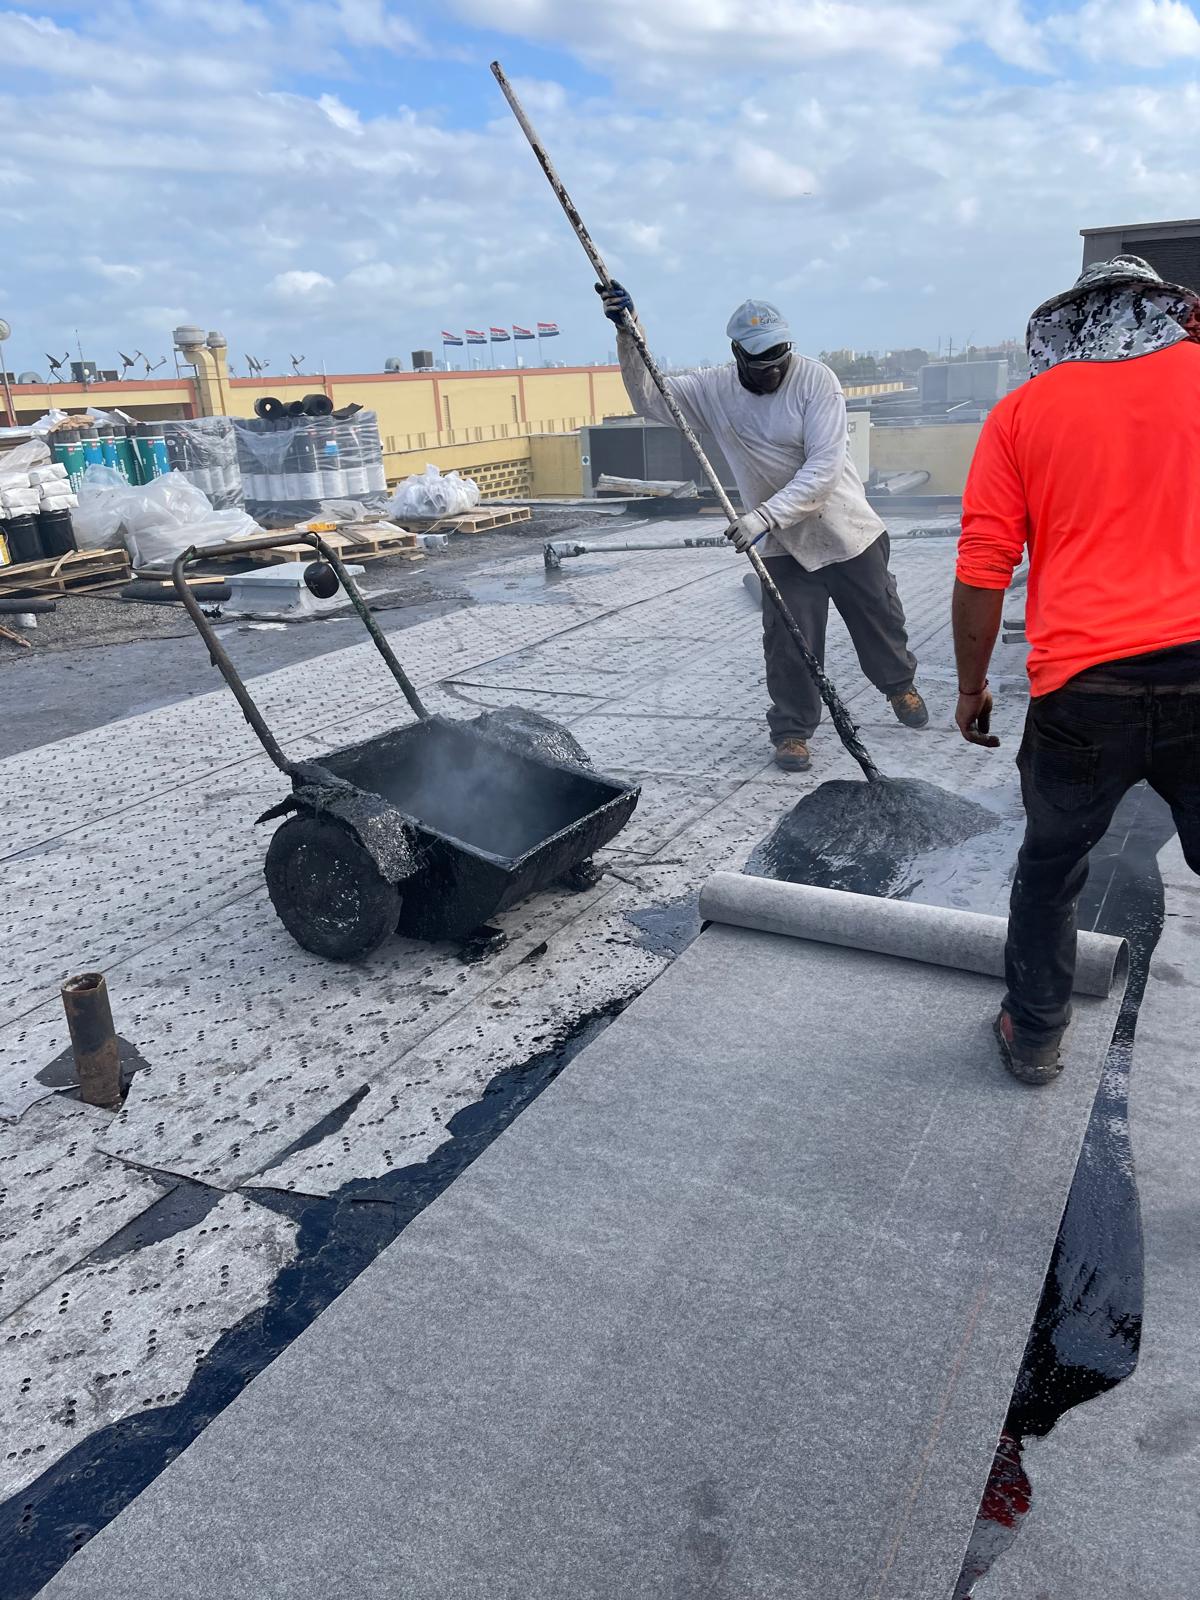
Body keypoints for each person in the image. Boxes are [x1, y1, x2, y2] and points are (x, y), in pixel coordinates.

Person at [953, 253, 1200, 1085]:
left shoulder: (1023, 412)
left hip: (1081, 693)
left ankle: (1035, 1037)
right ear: (1158, 307)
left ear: (1067, 322)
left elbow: (985, 563)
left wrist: (971, 685)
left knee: (1051, 873)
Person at [598, 285, 927, 772]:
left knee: (878, 620)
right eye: (760, 359)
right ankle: (793, 731)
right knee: (789, 638)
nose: (772, 366)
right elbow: (651, 399)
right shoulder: (713, 390)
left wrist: (760, 516)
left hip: (845, 529)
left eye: (778, 354)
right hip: (780, 543)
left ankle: (899, 687)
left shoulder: (817, 381)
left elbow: (822, 471)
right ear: (738, 355)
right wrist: (629, 332)